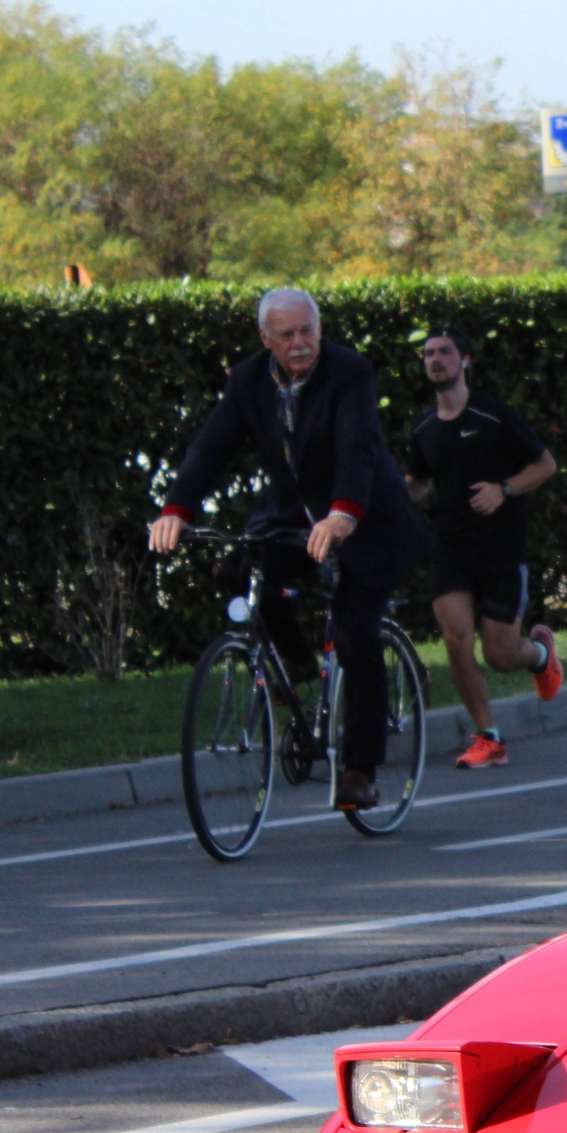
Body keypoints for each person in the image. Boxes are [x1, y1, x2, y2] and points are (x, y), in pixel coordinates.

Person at [149, 288, 427, 811]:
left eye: (308, 332)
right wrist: (176, 509)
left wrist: (344, 512)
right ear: (265, 339)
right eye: (287, 335)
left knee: (353, 631)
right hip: (294, 517)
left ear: (319, 330)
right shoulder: (249, 380)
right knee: (240, 568)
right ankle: (294, 665)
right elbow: (212, 447)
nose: (300, 344)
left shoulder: (350, 373)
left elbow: (357, 446)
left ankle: (360, 770)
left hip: (367, 518)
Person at [406, 325, 563, 769]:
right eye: (429, 354)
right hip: (449, 550)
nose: (435, 359)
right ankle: (488, 736)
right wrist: (389, 499)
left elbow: (545, 465)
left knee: (499, 654)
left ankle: (539, 654)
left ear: (465, 361)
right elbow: (418, 483)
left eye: (445, 352)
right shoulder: (423, 427)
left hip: (500, 550)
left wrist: (504, 490)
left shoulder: (495, 416)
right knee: (456, 640)